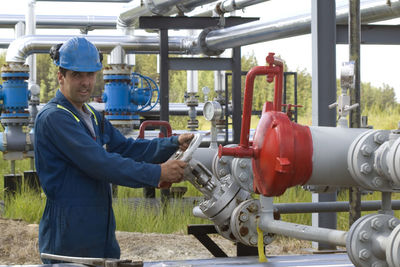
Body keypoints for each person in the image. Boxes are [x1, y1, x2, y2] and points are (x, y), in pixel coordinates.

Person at [34, 36, 194, 263]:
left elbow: (126, 148)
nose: (85, 82)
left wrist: (172, 144)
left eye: (90, 74)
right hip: (69, 238)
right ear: (61, 76)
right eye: (77, 75)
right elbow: (100, 163)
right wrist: (157, 174)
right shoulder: (54, 118)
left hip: (100, 234)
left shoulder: (91, 115)